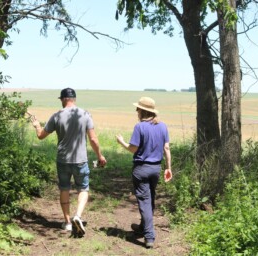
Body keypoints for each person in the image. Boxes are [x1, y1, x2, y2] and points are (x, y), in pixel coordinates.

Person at [30, 87, 107, 236]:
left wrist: (37, 125)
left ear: (63, 99)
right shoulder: (85, 114)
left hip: (63, 160)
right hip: (80, 160)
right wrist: (100, 156)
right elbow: (93, 139)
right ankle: (77, 216)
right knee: (83, 189)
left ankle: (67, 223)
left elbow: (40, 136)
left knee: (64, 188)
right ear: (74, 99)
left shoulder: (56, 115)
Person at [116, 96, 172, 249]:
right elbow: (166, 149)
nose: (136, 111)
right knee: (150, 198)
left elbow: (133, 149)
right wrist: (168, 167)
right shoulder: (163, 126)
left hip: (141, 169)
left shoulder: (139, 127)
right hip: (156, 169)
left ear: (143, 111)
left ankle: (149, 236)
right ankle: (142, 227)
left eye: (138, 108)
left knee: (145, 201)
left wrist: (121, 141)